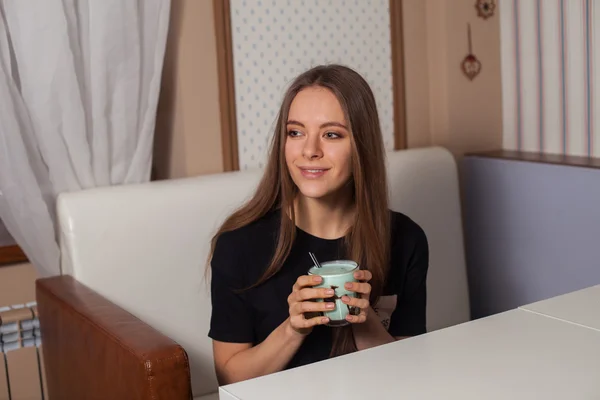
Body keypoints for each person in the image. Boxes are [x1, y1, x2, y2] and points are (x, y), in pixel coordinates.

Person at [207, 64, 429, 385]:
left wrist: (363, 319)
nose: (309, 151)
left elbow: (409, 373)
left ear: (361, 146)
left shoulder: (406, 239)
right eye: (295, 132)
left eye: (331, 134)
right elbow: (230, 378)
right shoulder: (238, 245)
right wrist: (293, 329)